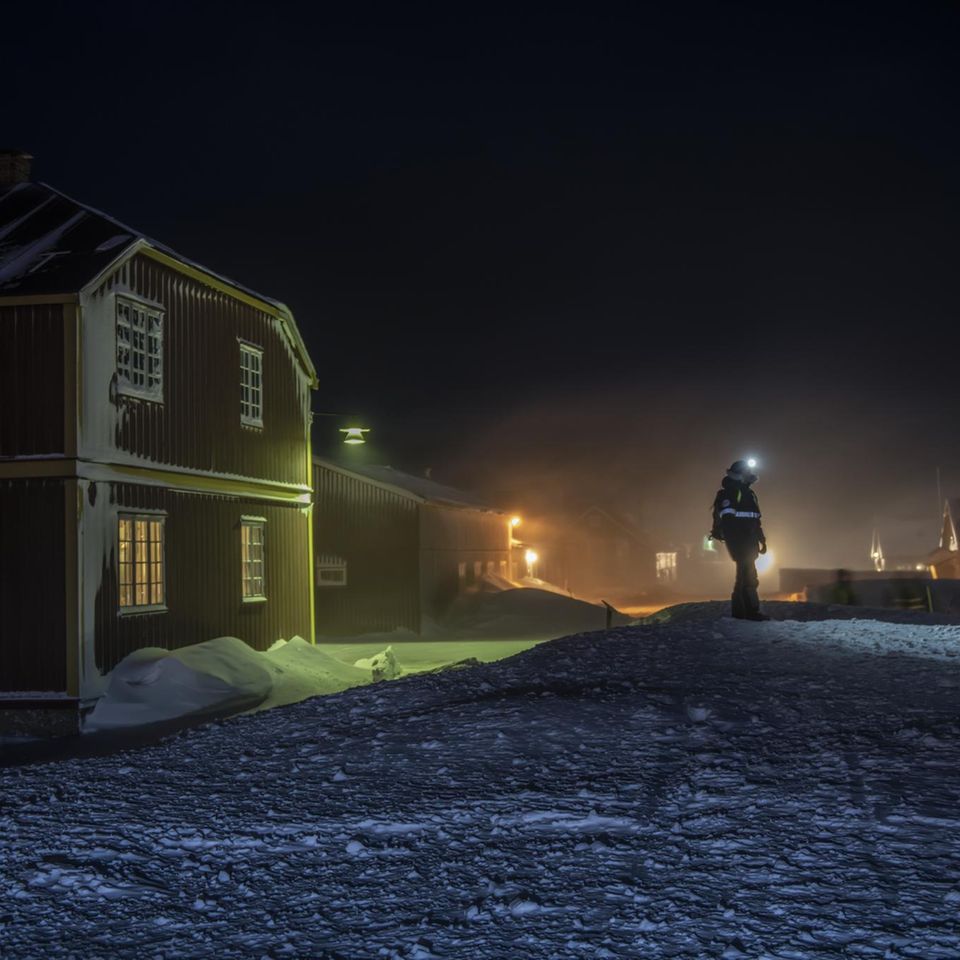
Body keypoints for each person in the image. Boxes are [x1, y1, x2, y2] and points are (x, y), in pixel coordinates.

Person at [710, 459, 769, 620]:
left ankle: (742, 613)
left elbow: (755, 520)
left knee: (746, 575)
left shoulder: (748, 493)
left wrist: (761, 540)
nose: (750, 475)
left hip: (749, 541)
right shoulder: (731, 492)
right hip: (740, 542)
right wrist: (740, 543)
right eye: (746, 472)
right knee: (747, 576)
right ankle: (750, 612)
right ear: (739, 474)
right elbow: (729, 522)